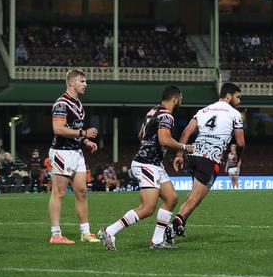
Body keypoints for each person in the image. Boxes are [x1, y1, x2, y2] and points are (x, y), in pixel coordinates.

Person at [98, 85, 194, 250]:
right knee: (148, 208)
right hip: (147, 163)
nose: (181, 102)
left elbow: (141, 135)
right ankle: (110, 231)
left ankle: (156, 241)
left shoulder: (153, 111)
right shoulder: (167, 116)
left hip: (154, 163)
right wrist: (184, 148)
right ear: (175, 99)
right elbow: (164, 140)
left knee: (171, 198)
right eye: (181, 99)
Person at [171, 83, 245, 238]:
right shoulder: (235, 114)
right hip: (210, 159)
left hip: (194, 155)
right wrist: (238, 156)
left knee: (193, 195)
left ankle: (180, 225)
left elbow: (186, 132)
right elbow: (240, 143)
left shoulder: (204, 110)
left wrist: (179, 155)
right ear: (228, 96)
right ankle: (174, 225)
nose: (240, 100)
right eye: (238, 96)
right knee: (196, 199)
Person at [48, 69, 100, 244]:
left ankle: (85, 232)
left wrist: (85, 141)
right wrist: (84, 132)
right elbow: (59, 129)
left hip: (76, 152)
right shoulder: (61, 104)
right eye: (82, 81)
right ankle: (56, 235)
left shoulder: (78, 104)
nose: (86, 84)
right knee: (59, 192)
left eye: (85, 81)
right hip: (62, 152)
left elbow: (72, 129)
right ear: (71, 82)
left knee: (81, 191)